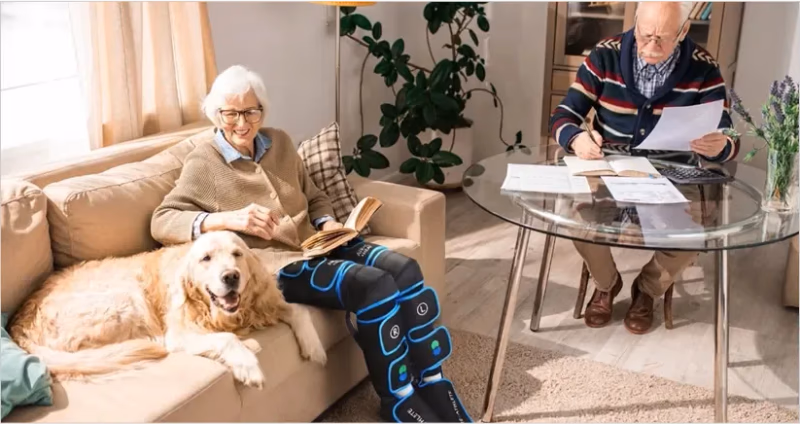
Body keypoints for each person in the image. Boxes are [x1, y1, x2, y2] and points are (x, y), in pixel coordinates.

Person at [151, 65, 471, 423]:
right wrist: (229, 220)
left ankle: (431, 381)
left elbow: (314, 196)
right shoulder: (203, 163)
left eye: (251, 111)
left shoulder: (281, 143)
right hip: (276, 266)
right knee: (374, 286)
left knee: (405, 269)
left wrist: (329, 221)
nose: (242, 123)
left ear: (262, 111)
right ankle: (397, 399)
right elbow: (162, 219)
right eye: (231, 113)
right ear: (216, 113)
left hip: (320, 242)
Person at [549, 1, 740, 334]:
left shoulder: (704, 69)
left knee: (694, 234)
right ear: (635, 24)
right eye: (645, 34)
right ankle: (607, 284)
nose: (652, 46)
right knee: (574, 218)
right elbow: (563, 116)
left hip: (672, 175)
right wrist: (577, 139)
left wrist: (722, 145)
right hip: (611, 168)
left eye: (663, 38)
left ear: (682, 32)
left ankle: (647, 289)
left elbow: (729, 137)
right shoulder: (604, 56)